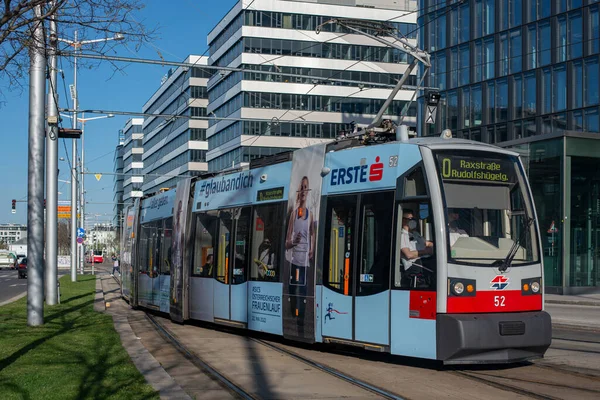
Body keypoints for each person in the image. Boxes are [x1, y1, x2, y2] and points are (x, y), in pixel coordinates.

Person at [285, 176, 315, 330]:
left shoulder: (310, 215)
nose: (304, 190)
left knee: (302, 291)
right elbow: (286, 243)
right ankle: (294, 318)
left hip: (304, 260)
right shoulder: (293, 215)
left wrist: (311, 250)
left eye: (306, 187)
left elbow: (312, 235)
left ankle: (300, 322)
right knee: (294, 290)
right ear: (298, 191)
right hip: (294, 259)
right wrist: (294, 242)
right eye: (301, 187)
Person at [400, 209, 434, 285]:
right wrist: (426, 251)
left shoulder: (416, 234)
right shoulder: (403, 235)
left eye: (413, 219)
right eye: (410, 219)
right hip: (413, 264)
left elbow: (427, 243)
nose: (413, 221)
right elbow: (408, 255)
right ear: (403, 221)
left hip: (425, 260)